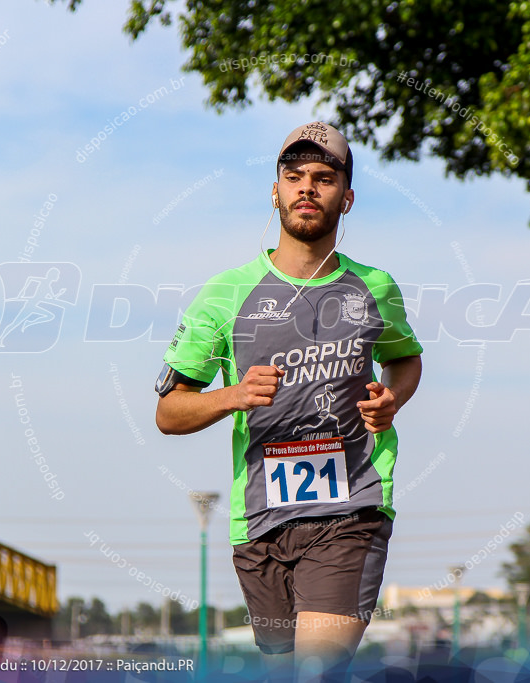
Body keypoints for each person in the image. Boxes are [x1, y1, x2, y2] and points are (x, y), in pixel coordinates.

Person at [155, 121, 423, 680]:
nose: (307, 188)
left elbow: (405, 357)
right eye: (293, 176)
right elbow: (168, 412)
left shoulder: (375, 287)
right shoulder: (226, 293)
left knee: (317, 672)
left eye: (323, 179)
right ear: (275, 192)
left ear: (345, 199)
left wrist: (391, 399)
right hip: (259, 522)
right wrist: (233, 395)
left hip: (351, 508)